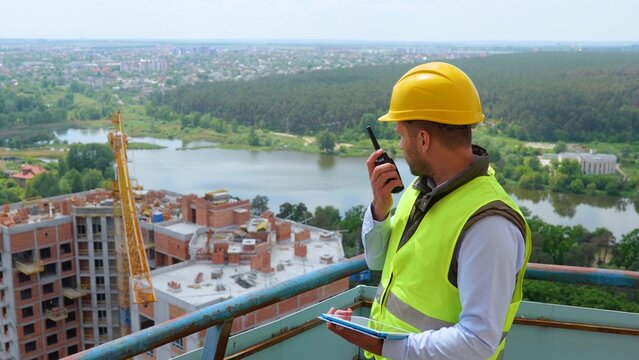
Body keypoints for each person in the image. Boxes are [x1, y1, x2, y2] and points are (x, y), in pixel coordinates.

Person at [327, 62, 531, 360]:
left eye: (401, 135)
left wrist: (381, 345)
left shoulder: (488, 225)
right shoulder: (424, 189)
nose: (399, 145)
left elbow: (477, 341)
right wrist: (381, 210)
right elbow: (380, 262)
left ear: (423, 139)